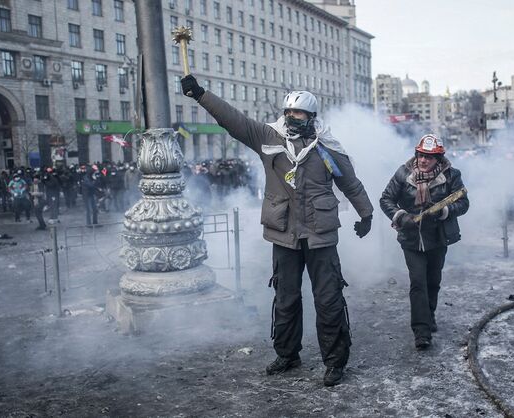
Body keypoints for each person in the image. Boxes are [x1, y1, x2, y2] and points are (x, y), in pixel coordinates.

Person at [182, 75, 374, 387]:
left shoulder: (326, 148)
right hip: (284, 233)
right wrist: (202, 95)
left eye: (298, 113)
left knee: (328, 299)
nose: (291, 117)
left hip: (320, 234)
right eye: (288, 112)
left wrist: (365, 213)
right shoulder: (268, 138)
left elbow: (349, 182)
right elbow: (235, 121)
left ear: (311, 117)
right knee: (285, 297)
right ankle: (287, 354)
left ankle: (335, 361)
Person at [380, 134, 469, 350]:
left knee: (433, 280)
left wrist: (445, 211)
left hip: (438, 238)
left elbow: (464, 203)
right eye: (421, 155)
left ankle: (429, 315)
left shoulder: (451, 175)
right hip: (411, 239)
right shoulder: (403, 173)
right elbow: (386, 199)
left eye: (429, 157)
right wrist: (401, 216)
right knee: (418, 282)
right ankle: (421, 331)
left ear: (438, 159)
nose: (423, 160)